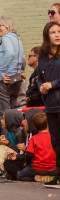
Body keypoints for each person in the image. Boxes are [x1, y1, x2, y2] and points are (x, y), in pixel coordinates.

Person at [0, 16, 25, 126]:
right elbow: (22, 59)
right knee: (12, 116)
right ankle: (14, 141)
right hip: (15, 80)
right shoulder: (17, 39)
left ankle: (6, 142)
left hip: (2, 81)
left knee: (3, 117)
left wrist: (1, 72)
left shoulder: (6, 38)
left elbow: (10, 53)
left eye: (0, 25)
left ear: (7, 26)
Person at [37, 21, 60, 188]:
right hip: (50, 104)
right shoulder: (43, 56)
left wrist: (53, 84)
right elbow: (39, 77)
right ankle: (58, 175)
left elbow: (52, 81)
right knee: (56, 142)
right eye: (53, 32)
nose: (57, 35)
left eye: (59, 31)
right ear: (47, 36)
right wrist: (41, 87)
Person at [13, 113, 59, 182]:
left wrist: (27, 163)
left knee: (21, 175)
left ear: (34, 127)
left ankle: (36, 179)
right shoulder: (54, 137)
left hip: (37, 169)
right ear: (48, 124)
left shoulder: (34, 138)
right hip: (53, 169)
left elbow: (29, 154)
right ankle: (52, 179)